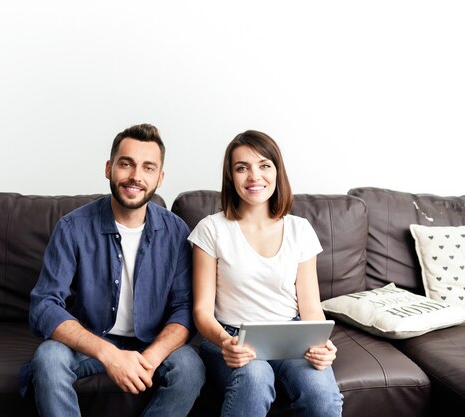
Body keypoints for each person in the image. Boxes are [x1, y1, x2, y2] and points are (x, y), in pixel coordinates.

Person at [20, 123, 205, 417]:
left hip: (151, 343)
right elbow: (44, 305)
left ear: (160, 177)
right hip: (91, 340)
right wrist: (109, 355)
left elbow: (184, 308)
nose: (135, 176)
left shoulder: (176, 231)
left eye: (148, 168)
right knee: (48, 358)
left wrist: (153, 356)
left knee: (190, 368)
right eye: (126, 164)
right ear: (109, 168)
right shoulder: (72, 227)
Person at [188, 130, 343, 417]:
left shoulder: (300, 229)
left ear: (277, 172)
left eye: (264, 165)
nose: (254, 176)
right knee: (255, 380)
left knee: (322, 395)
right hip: (231, 337)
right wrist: (226, 342)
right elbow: (201, 312)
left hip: (291, 337)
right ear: (230, 177)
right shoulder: (211, 229)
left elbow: (310, 308)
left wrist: (323, 346)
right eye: (242, 167)